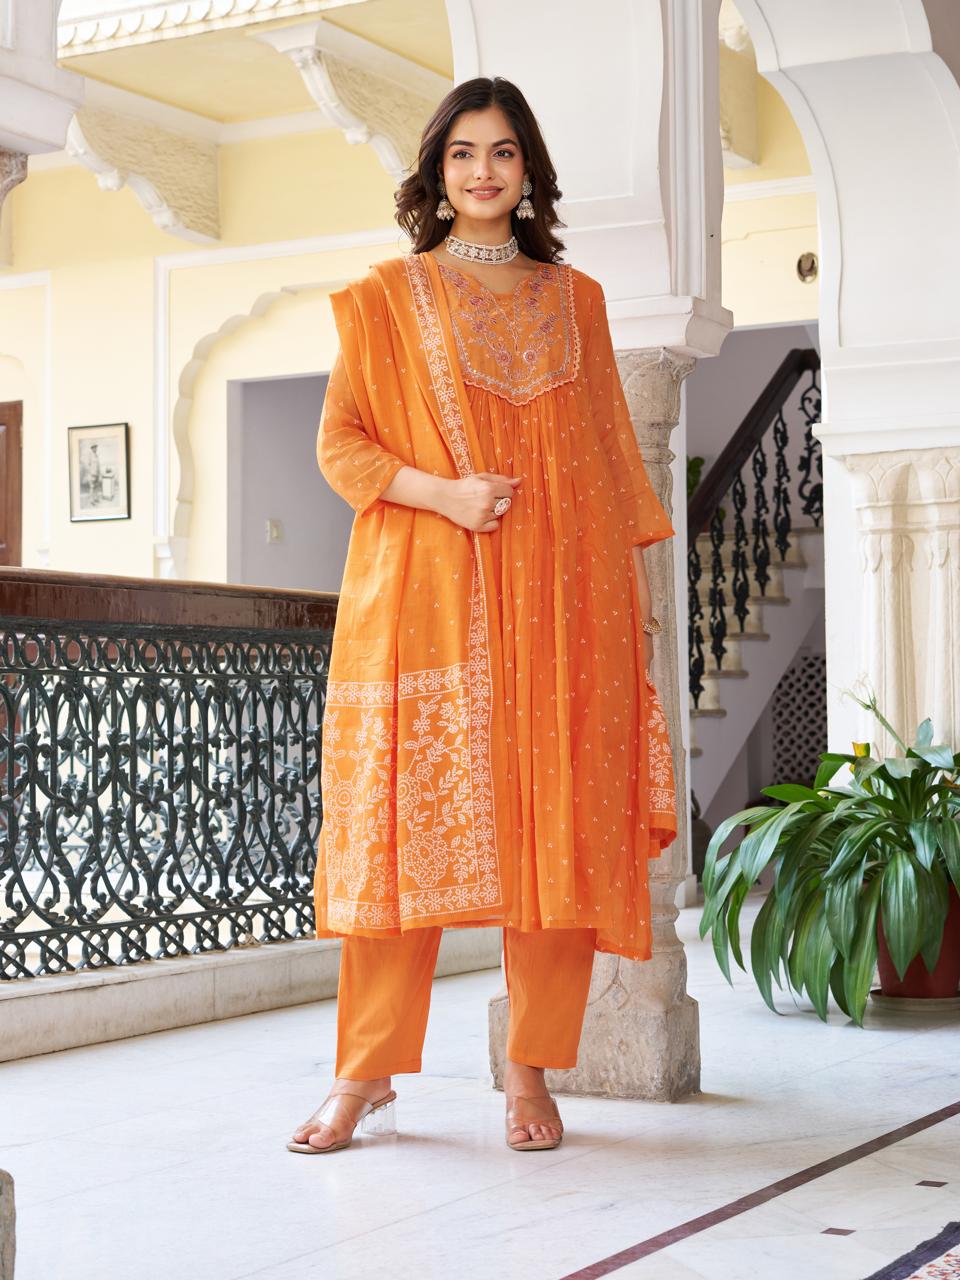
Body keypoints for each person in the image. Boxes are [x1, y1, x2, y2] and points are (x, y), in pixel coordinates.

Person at [288, 75, 678, 1157]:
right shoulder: (387, 298)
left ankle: (529, 1070)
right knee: (398, 844)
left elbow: (606, 460)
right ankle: (363, 1075)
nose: (483, 172)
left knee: (554, 837)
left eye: (502, 153)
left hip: (561, 604)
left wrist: (632, 611)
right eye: (463, 153)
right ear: (435, 171)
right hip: (426, 601)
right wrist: (445, 494)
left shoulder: (576, 300)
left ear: (528, 171)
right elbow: (343, 444)